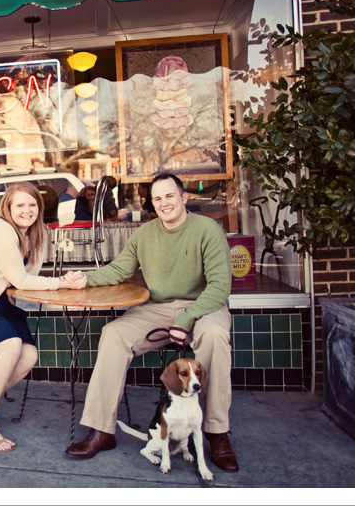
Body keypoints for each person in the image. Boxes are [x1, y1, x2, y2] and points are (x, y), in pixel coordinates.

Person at [61, 172, 238, 472]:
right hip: (158, 307)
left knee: (216, 337)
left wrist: (186, 318)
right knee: (114, 334)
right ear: (152, 204)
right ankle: (101, 430)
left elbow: (220, 286)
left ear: (184, 198)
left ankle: (216, 432)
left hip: (203, 305)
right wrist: (85, 279)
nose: (164, 203)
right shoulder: (145, 234)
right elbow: (119, 269)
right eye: (158, 198)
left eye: (170, 196)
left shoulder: (207, 230)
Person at [0, 182, 87, 452]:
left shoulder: (38, 232)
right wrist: (61, 283)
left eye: (32, 205)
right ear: (7, 208)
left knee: (29, 356)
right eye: (19, 205)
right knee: (11, 346)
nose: (27, 210)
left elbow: (30, 271)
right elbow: (23, 278)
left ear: (39, 207)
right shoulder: (1, 232)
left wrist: (6, 278)